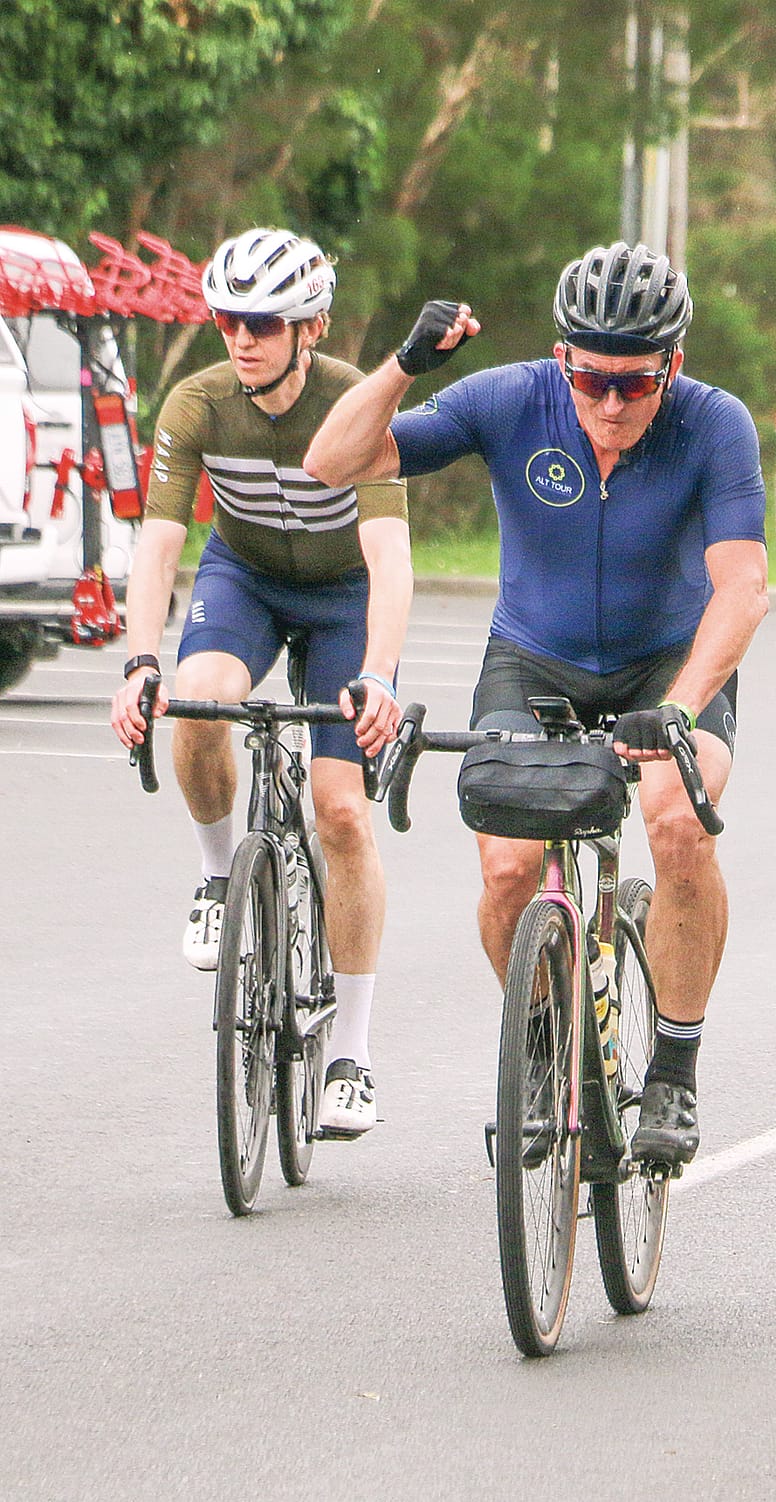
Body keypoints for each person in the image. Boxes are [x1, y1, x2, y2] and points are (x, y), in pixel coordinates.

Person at [304, 242, 767, 1168]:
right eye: (591, 379)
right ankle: (549, 1043)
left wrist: (678, 708)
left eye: (633, 386)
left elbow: (743, 589)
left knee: (679, 822)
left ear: (670, 366)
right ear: (563, 360)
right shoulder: (513, 398)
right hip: (534, 658)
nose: (608, 404)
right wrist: (403, 367)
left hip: (665, 665)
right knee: (511, 866)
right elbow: (330, 461)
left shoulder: (714, 424)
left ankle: (672, 1070)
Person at [111, 227, 413, 1139]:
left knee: (343, 812)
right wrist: (139, 663)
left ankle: (352, 1054)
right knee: (197, 697)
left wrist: (377, 676)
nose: (239, 338)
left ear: (309, 326)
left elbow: (391, 560)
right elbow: (160, 542)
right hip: (243, 577)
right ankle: (215, 876)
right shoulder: (197, 403)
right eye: (226, 320)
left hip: (343, 597)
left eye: (262, 323)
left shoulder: (357, 403)